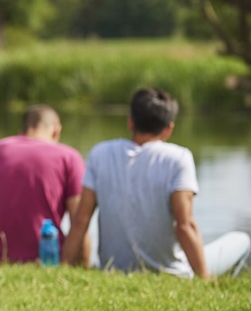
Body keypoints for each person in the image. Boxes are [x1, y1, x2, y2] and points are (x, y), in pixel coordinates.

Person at [62, 87, 250, 278]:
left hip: (113, 269)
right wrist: (204, 278)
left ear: (130, 122)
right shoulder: (178, 158)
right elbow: (184, 225)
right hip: (171, 273)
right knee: (241, 240)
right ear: (169, 129)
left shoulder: (99, 154)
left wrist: (63, 268)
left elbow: (81, 220)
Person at [0, 104, 88, 264]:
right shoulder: (69, 157)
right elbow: (80, 219)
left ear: (24, 128)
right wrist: (83, 267)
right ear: (56, 131)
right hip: (46, 261)